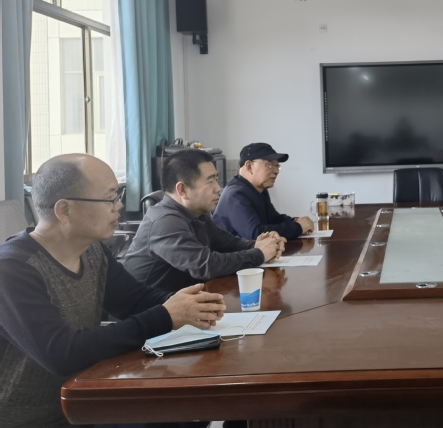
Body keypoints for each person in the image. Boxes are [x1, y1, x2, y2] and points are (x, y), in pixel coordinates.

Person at [0, 154, 226, 428]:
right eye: (110, 198)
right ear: (65, 210)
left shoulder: (92, 251)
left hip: (84, 401)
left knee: (185, 413)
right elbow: (61, 353)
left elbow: (135, 300)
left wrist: (192, 303)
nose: (119, 205)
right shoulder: (12, 268)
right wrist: (166, 316)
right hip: (30, 419)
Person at [124, 149, 286, 291]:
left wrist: (261, 244)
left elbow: (230, 244)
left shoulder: (198, 213)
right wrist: (259, 254)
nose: (218, 188)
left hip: (185, 301)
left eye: (216, 179)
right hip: (150, 311)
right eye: (210, 181)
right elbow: (206, 265)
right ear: (182, 190)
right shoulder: (164, 222)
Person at [214, 143, 314, 240]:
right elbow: (256, 234)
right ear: (249, 166)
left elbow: (274, 219)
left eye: (277, 165)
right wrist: (298, 227)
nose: (276, 171)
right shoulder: (235, 195)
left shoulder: (258, 190)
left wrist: (295, 221)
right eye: (270, 164)